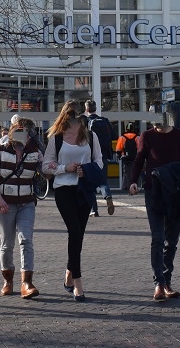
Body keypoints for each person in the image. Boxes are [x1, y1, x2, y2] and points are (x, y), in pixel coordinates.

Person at [128, 108, 180, 301]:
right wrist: (133, 181)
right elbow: (139, 160)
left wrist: (174, 174)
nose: (155, 121)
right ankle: (158, 283)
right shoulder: (146, 136)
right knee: (157, 237)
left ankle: (167, 281)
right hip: (154, 191)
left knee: (171, 241)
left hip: (175, 193)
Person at [41, 101, 104, 302]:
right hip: (63, 189)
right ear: (66, 116)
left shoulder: (91, 137)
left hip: (84, 189)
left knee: (79, 234)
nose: (77, 121)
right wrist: (64, 168)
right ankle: (77, 281)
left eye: (80, 117)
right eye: (73, 117)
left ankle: (69, 271)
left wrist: (85, 170)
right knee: (74, 231)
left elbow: (100, 162)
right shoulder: (56, 138)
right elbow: (45, 167)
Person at [0, 117, 42, 299]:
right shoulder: (1, 150)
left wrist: (54, 163)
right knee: (7, 244)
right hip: (5, 202)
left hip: (26, 202)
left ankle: (27, 282)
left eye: (26, 131)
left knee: (26, 240)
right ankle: (8, 280)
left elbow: (46, 171)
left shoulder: (35, 151)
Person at [83, 99, 116, 216]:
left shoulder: (86, 121)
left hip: (91, 157)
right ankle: (107, 196)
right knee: (103, 180)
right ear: (96, 108)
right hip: (104, 155)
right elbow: (113, 136)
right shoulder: (105, 121)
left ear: (86, 109)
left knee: (90, 183)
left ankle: (94, 210)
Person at [116, 123, 139, 187]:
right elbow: (140, 148)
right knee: (134, 170)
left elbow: (118, 148)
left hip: (125, 157)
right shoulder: (137, 137)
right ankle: (127, 185)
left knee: (126, 171)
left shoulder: (122, 137)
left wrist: (119, 155)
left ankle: (126, 186)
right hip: (135, 157)